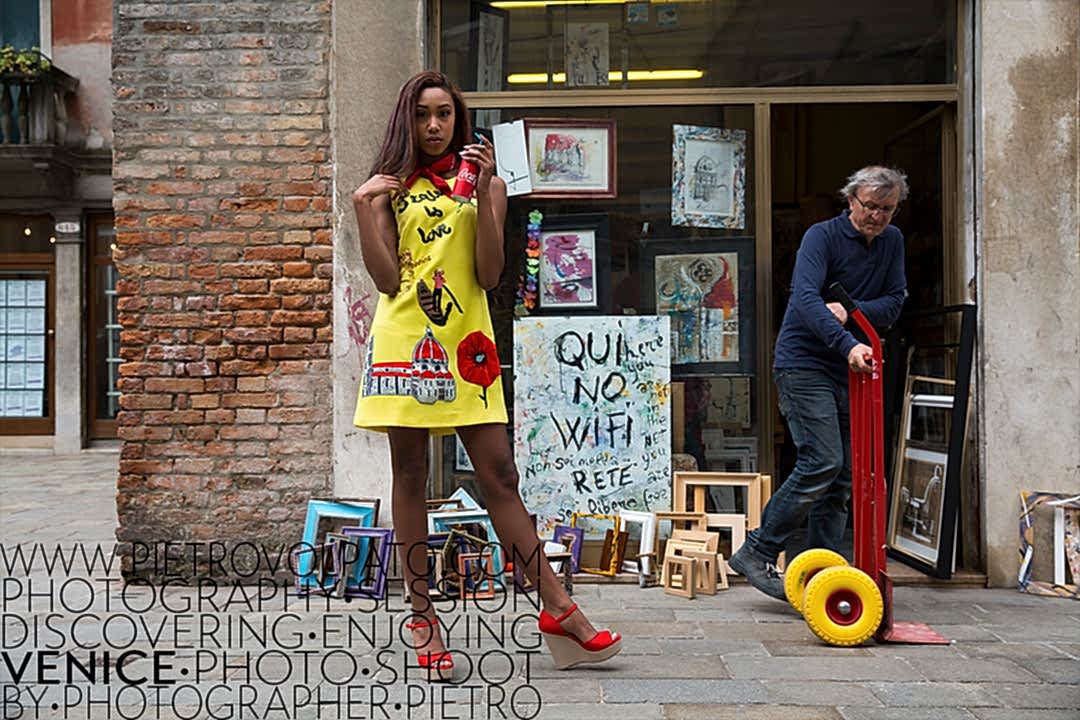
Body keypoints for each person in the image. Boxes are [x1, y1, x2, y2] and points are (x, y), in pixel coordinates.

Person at [351, 71, 622, 678]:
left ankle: (557, 607)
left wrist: (481, 202)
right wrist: (364, 208)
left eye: (444, 114)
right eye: (422, 115)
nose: (433, 126)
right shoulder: (388, 187)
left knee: (500, 473)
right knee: (411, 471)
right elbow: (389, 281)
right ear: (407, 120)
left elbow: (491, 274)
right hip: (406, 339)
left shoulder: (489, 185)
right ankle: (421, 614)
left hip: (468, 342)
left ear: (459, 118)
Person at [729, 166, 909, 600]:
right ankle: (758, 550)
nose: (877, 217)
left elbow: (895, 300)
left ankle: (819, 575)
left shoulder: (893, 243)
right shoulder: (820, 237)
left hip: (850, 367)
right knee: (822, 460)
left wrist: (851, 311)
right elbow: (806, 299)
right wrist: (846, 342)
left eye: (887, 209)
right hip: (804, 363)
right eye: (870, 206)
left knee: (845, 478)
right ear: (851, 201)